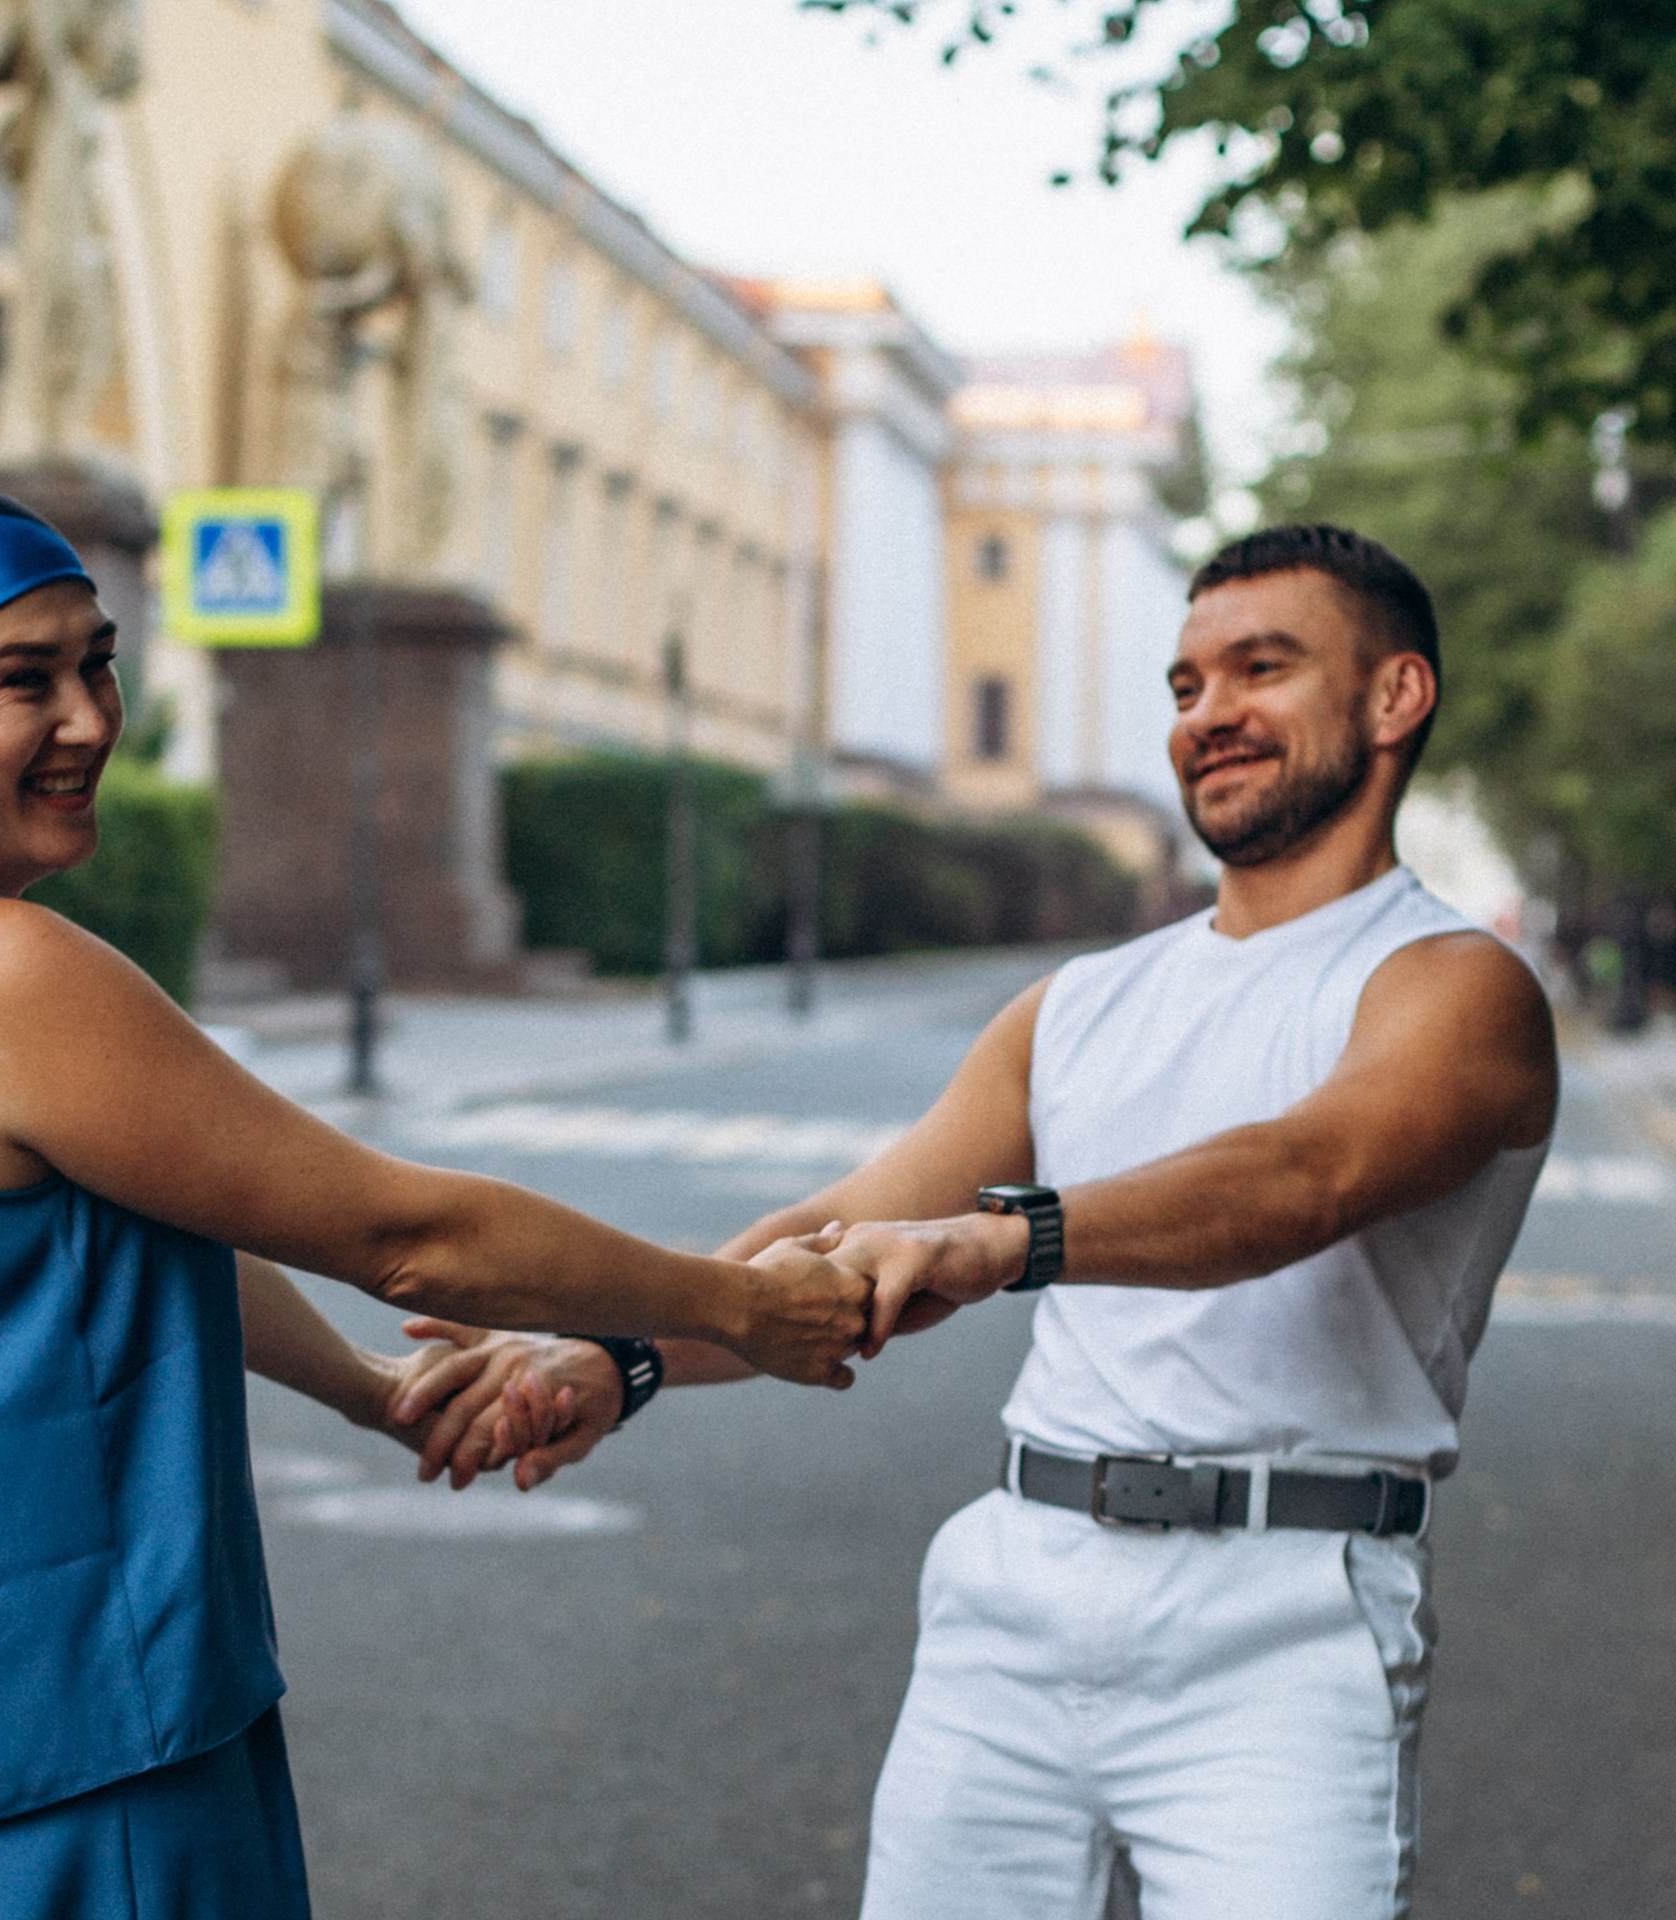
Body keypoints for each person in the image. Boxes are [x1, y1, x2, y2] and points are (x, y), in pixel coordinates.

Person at [0, 477, 869, 1920]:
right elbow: (403, 1233)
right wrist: (743, 1306)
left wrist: (375, 1394)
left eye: (100, 660)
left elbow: (124, 1233)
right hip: (82, 1750)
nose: (90, 718)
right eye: (21, 677)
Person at [471, 525, 1558, 1918]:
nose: (1209, 716)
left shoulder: (1455, 986)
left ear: (1396, 696)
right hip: (1016, 1593)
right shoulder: (1079, 1004)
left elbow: (1304, 1178)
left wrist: (1005, 1241)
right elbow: (846, 1230)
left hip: (1285, 1624)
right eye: (1182, 687)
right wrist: (615, 1360)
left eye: (1261, 670)